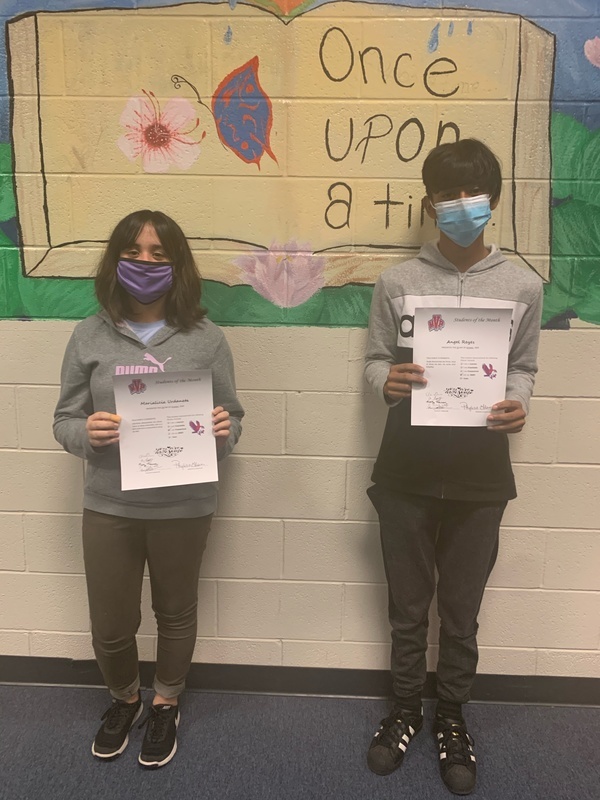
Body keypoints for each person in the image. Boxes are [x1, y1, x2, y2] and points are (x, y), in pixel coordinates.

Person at [364, 139, 543, 795]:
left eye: (473, 194)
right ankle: (405, 710)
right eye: (447, 194)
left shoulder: (523, 285)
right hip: (406, 472)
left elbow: (523, 366)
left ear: (493, 203)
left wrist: (518, 402)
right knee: (408, 609)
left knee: (462, 612)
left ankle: (452, 716)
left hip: (480, 476)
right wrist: (387, 381)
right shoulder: (397, 282)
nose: (461, 205)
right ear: (428, 204)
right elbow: (374, 361)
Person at [53, 210, 244, 769]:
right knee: (111, 623)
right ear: (115, 261)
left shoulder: (207, 339)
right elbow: (64, 420)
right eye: (133, 252)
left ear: (178, 266)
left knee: (175, 612)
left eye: (159, 254)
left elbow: (232, 418)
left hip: (184, 505)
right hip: (109, 504)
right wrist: (85, 434)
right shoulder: (88, 335)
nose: (145, 262)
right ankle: (124, 699)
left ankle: (165, 702)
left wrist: (223, 433)